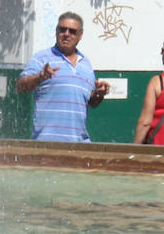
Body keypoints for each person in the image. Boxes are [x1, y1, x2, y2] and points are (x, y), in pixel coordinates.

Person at [15, 11, 109, 140]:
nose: (66, 34)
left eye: (72, 31)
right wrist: (39, 77)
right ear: (56, 31)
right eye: (62, 29)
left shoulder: (86, 64)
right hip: (47, 143)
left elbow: (91, 103)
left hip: (79, 145)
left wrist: (99, 94)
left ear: (80, 35)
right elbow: (20, 87)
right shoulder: (41, 58)